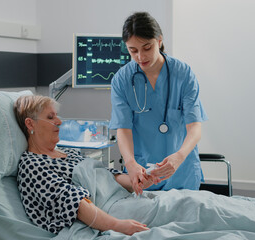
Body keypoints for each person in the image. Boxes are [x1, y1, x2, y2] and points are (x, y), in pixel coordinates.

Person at [13, 95, 152, 236]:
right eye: (50, 117)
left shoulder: (69, 153)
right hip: (106, 212)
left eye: (57, 116)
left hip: (122, 198)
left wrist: (137, 181)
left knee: (172, 201)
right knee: (170, 208)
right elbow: (74, 202)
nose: (59, 121)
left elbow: (107, 175)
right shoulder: (33, 165)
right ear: (30, 124)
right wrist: (117, 226)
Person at [109, 12, 208, 194]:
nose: (140, 56)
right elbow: (123, 129)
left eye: (147, 48)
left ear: (159, 40)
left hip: (181, 171)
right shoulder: (122, 80)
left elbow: (195, 127)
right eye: (133, 50)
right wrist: (130, 163)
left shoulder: (183, 74)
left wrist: (179, 156)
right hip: (143, 173)